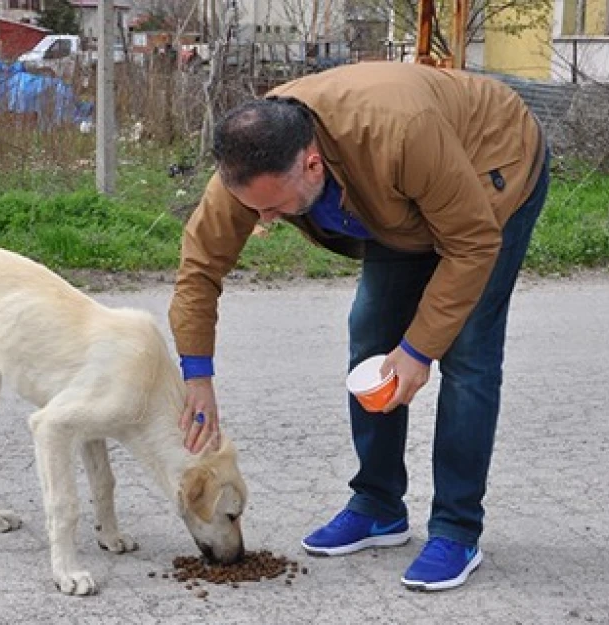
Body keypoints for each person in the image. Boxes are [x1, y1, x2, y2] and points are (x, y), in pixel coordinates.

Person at [168, 61, 550, 592]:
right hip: (395, 207)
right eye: (255, 209)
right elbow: (199, 270)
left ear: (313, 164)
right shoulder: (252, 168)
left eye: (274, 207)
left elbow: (471, 243)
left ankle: (456, 529)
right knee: (371, 335)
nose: (265, 222)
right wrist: (197, 373)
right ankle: (378, 504)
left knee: (465, 353)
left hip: (491, 170)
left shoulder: (400, 133)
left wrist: (418, 351)